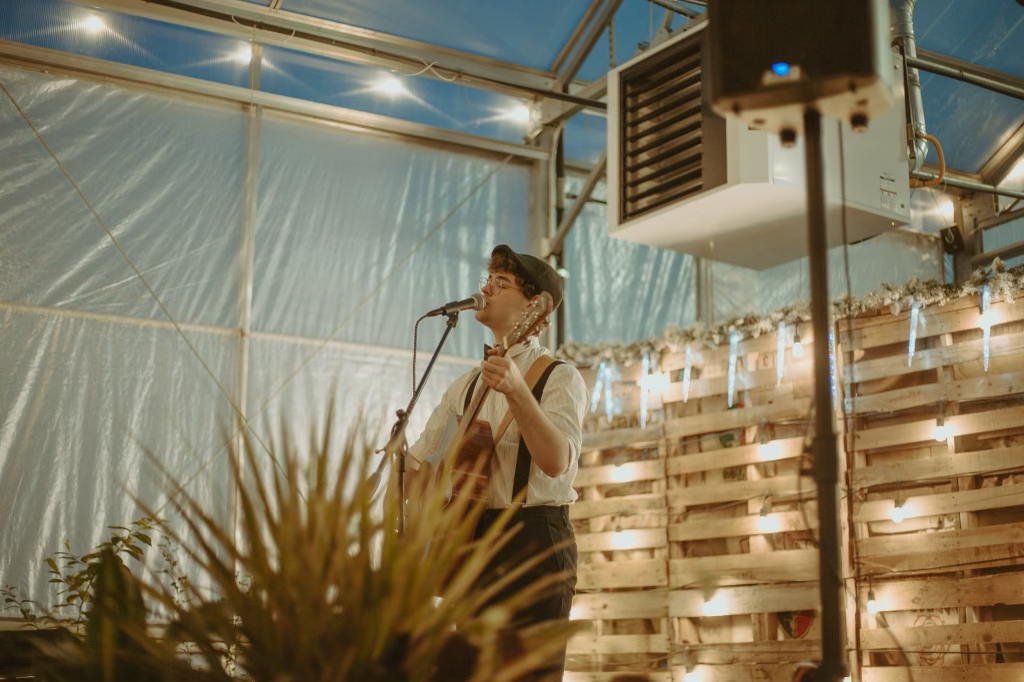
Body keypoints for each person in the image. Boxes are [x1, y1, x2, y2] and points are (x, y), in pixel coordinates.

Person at [406, 244, 588, 679]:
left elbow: (556, 462)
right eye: (488, 280)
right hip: (473, 539)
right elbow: (417, 464)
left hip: (535, 539)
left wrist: (518, 391)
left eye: (500, 283)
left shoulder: (558, 376)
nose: (485, 289)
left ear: (534, 307)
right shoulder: (466, 385)